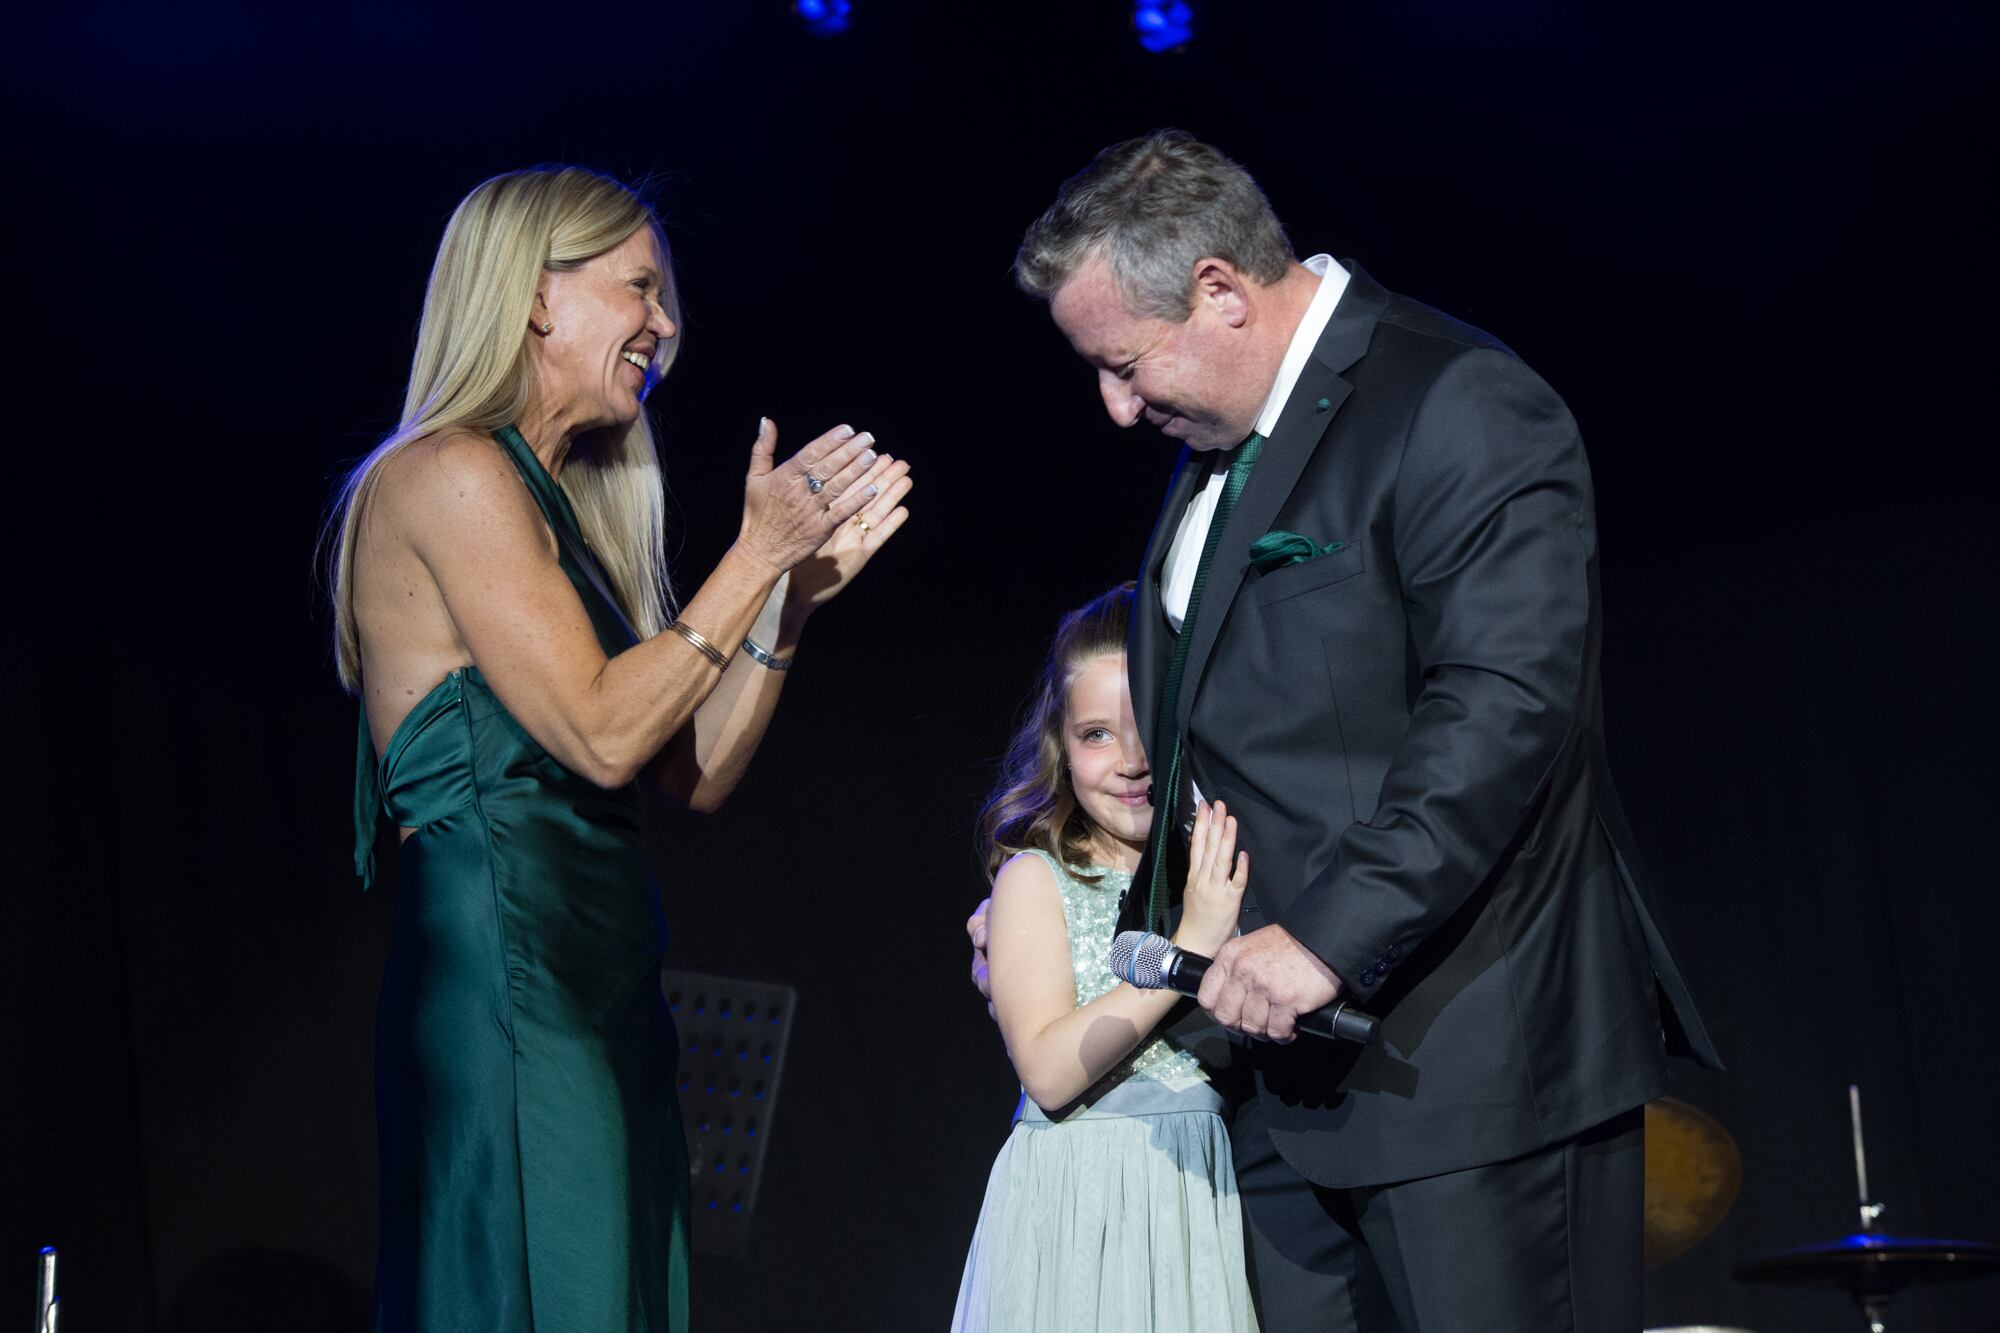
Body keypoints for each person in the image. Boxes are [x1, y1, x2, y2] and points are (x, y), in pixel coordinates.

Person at [970, 130, 1722, 1331]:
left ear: (1217, 290)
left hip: (1463, 1074)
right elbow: (1233, 735)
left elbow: (1501, 708)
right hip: (1275, 1089)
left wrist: (1324, 937)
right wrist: (1095, 910)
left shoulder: (1453, 402)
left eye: (1124, 362)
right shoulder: (1214, 441)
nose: (1114, 407)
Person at [327, 165, 912, 1332]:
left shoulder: (557, 506)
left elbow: (683, 769)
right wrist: (750, 558)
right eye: (639, 288)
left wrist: (785, 603)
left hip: (597, 982)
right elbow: (600, 735)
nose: (665, 324)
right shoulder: (444, 472)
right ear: (536, 297)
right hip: (508, 982)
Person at [952, 583, 1258, 1333]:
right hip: (1076, 1205)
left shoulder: (1211, 866)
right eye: (1095, 734)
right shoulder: (1035, 877)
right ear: (1059, 742)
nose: (1128, 760)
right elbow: (1052, 1072)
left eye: (1145, 724)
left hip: (1190, 1204)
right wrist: (1190, 945)